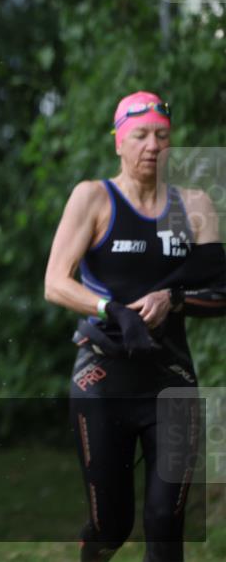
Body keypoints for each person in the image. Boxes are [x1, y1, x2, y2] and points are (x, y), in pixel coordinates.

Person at [44, 91, 224, 562]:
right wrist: (113, 310)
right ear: (119, 142)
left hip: (171, 378)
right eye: (140, 135)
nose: (152, 145)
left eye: (162, 135)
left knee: (166, 523)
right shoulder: (93, 197)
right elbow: (55, 284)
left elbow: (222, 291)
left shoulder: (195, 205)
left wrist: (176, 299)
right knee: (111, 526)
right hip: (101, 378)